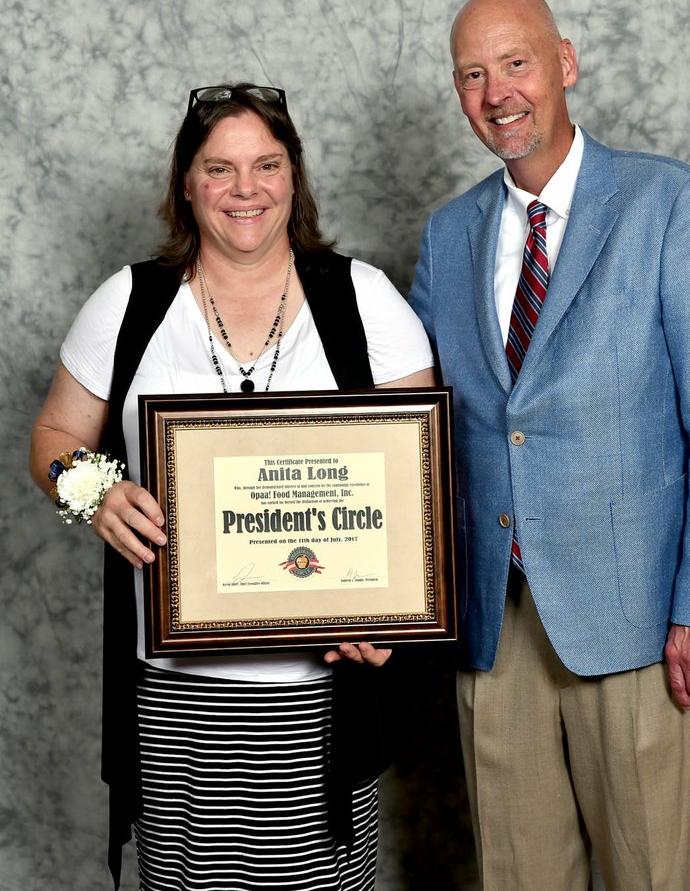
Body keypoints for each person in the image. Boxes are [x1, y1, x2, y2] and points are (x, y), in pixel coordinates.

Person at [30, 82, 434, 890]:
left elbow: (422, 475)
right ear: (186, 183)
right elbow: (53, 438)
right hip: (179, 697)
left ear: (294, 177)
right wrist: (96, 493)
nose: (245, 188)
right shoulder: (132, 303)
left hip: (321, 694)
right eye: (220, 168)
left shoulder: (364, 302)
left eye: (266, 165)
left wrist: (399, 612)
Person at [408, 0, 690, 891]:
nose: (498, 93)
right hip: (496, 619)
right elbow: (412, 430)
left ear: (565, 64)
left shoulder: (669, 203)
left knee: (653, 872)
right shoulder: (448, 236)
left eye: (517, 64)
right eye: (472, 75)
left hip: (642, 619)